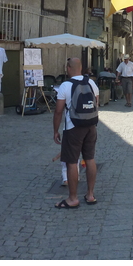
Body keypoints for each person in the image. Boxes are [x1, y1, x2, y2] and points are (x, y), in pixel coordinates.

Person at [53, 58, 99, 208]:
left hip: (73, 127)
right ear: (81, 68)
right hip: (91, 125)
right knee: (90, 159)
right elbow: (95, 104)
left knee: (72, 161)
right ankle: (90, 195)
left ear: (68, 68)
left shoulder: (65, 86)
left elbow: (59, 111)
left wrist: (55, 130)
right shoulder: (91, 83)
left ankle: (73, 198)